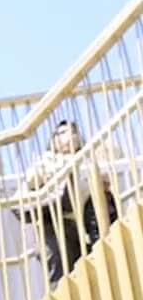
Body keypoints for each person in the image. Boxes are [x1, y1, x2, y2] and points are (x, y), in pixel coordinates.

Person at [22, 119, 119, 285]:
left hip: (84, 221)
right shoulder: (46, 161)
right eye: (62, 133)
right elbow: (28, 186)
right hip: (55, 223)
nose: (69, 136)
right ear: (53, 140)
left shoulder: (88, 158)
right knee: (60, 271)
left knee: (92, 270)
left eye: (73, 132)